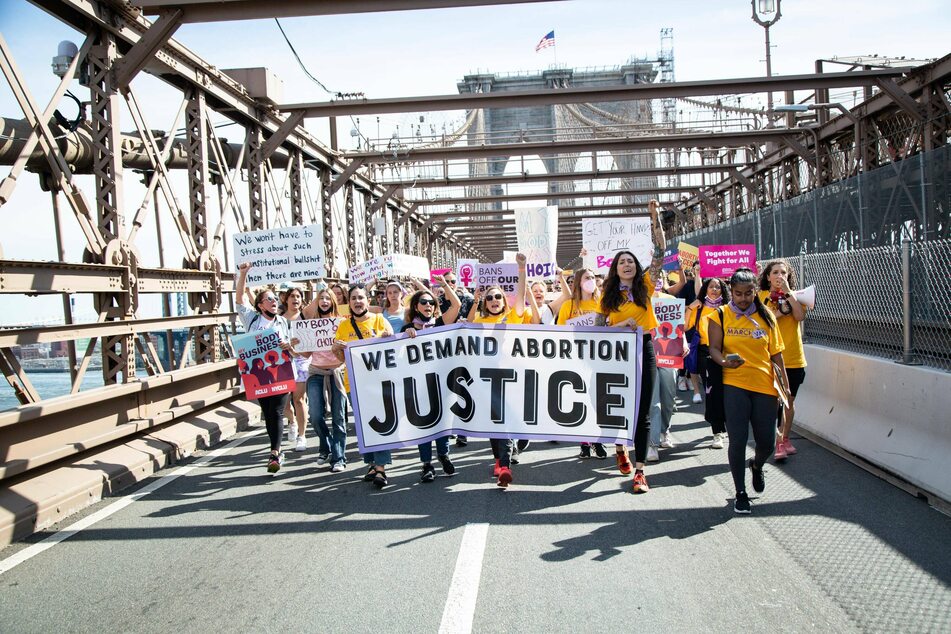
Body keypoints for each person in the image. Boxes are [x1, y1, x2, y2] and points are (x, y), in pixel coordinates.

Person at [596, 199, 666, 494]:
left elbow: (661, 252)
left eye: (631, 261)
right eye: (622, 261)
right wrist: (619, 326)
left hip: (645, 349)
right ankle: (619, 447)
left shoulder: (646, 286)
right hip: (616, 355)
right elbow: (599, 330)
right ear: (615, 268)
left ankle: (639, 472)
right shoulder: (607, 296)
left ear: (637, 268)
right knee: (618, 408)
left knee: (643, 411)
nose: (627, 264)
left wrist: (656, 219)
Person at [707, 268, 789, 514]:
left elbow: (776, 354)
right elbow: (714, 349)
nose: (743, 299)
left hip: (765, 386)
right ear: (731, 292)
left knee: (766, 442)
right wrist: (724, 362)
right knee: (739, 439)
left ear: (756, 291)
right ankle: (740, 492)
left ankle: (757, 465)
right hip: (734, 385)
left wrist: (786, 387)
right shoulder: (719, 316)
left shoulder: (767, 317)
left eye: (748, 293)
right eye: (738, 294)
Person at [469, 253, 528, 488]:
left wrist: (521, 269)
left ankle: (512, 448)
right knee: (497, 420)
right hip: (489, 377)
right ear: (485, 303)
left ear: (504, 300)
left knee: (514, 420)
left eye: (497, 297)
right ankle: (503, 464)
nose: (494, 300)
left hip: (515, 376)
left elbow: (522, 295)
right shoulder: (477, 323)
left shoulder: (513, 317)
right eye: (489, 297)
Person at [401, 274, 462, 482]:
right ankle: (426, 463)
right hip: (418, 383)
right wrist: (404, 336)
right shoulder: (406, 329)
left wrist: (443, 284)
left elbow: (457, 304)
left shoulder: (440, 324)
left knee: (443, 421)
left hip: (441, 381)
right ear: (416, 307)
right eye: (423, 302)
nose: (428, 305)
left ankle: (443, 455)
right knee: (424, 423)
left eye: (431, 302)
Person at [332, 284, 394, 488]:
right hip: (354, 383)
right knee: (363, 426)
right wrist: (336, 349)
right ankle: (371, 463)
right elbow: (340, 358)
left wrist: (388, 339)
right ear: (348, 303)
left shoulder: (379, 320)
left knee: (380, 423)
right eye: (353, 298)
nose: (357, 302)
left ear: (368, 301)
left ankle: (381, 468)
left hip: (379, 381)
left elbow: (394, 350)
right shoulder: (343, 326)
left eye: (361, 297)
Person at [235, 263, 294, 473]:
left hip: (281, 372)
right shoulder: (252, 320)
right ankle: (275, 450)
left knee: (277, 411)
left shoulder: (283, 322)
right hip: (259, 374)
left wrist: (289, 346)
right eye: (269, 299)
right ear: (260, 305)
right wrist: (243, 275)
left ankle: (274, 453)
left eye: (275, 299)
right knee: (268, 413)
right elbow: (240, 299)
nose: (274, 301)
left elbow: (293, 346)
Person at [556, 268, 607, 460]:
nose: (591, 280)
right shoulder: (568, 305)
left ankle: (598, 438)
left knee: (597, 400)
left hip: (598, 359)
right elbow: (560, 331)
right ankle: (586, 442)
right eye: (587, 278)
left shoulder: (602, 303)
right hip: (577, 358)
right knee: (582, 400)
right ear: (578, 282)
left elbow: (608, 325)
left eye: (593, 277)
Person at [758, 259, 807, 461]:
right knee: (774, 403)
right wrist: (779, 312)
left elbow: (799, 316)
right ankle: (777, 442)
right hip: (770, 358)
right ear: (768, 276)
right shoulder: (760, 297)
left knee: (789, 402)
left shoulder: (797, 297)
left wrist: (788, 294)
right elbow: (761, 322)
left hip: (794, 358)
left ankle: (785, 437)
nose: (780, 276)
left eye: (783, 273)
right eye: (775, 272)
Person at [302, 288, 348, 472]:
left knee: (339, 417)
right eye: (321, 298)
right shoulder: (311, 325)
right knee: (315, 415)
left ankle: (339, 458)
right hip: (316, 373)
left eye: (328, 298)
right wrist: (293, 347)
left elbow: (349, 350)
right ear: (316, 302)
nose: (324, 301)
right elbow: (305, 354)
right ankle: (326, 443)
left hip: (337, 373)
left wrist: (343, 347)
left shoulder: (342, 323)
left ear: (333, 302)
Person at [689, 275, 729, 448]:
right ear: (705, 289)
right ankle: (717, 432)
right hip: (706, 353)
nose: (714, 290)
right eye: (711, 286)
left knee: (727, 393)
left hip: (727, 352)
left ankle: (725, 424)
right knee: (712, 393)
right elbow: (683, 327)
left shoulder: (729, 308)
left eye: (718, 287)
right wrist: (690, 309)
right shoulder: (698, 308)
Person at [280, 286, 310, 451]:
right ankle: (291, 420)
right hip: (283, 361)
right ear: (286, 299)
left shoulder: (306, 317)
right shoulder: (278, 319)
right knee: (284, 402)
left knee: (299, 398)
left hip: (301, 360)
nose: (295, 299)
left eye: (298, 296)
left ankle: (302, 435)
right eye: (292, 296)